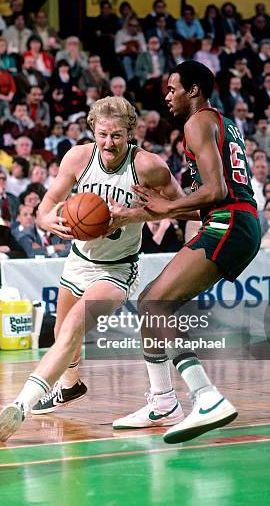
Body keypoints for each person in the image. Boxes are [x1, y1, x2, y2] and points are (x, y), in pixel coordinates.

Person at [0, 96, 183, 441]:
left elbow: (185, 208)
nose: (109, 143)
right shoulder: (78, 157)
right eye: (103, 134)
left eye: (117, 136)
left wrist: (136, 214)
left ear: (131, 134)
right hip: (78, 260)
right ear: (93, 129)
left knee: (72, 329)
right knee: (62, 334)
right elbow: (45, 208)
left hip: (117, 268)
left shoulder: (150, 166)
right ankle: (69, 385)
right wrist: (52, 221)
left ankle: (20, 404)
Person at [111, 61, 261, 444]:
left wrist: (165, 208)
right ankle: (163, 402)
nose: (167, 96)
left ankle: (206, 396)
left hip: (229, 222)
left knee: (154, 304)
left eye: (172, 88)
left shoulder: (196, 123)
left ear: (193, 90)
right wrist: (142, 212)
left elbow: (215, 192)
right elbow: (213, 197)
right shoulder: (220, 123)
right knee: (150, 303)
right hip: (234, 221)